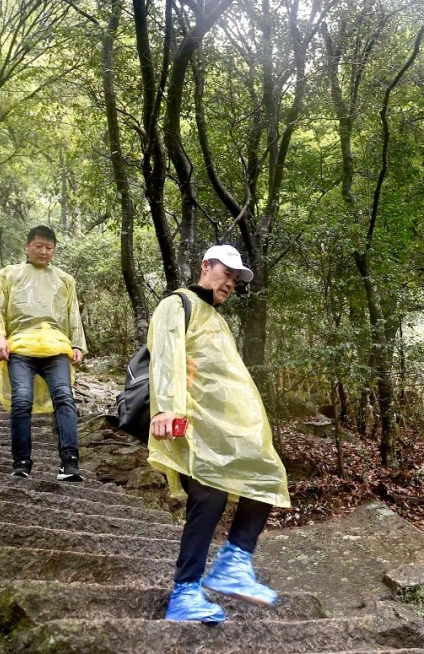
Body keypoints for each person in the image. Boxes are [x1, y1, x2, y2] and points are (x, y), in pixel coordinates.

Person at [147, 244, 290, 623]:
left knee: (265, 474)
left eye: (235, 279)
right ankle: (185, 592)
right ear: (205, 266)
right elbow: (166, 355)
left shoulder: (217, 318)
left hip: (224, 428)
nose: (230, 282)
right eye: (226, 273)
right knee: (209, 498)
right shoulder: (177, 304)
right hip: (192, 421)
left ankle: (233, 561)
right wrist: (166, 407)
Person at [0, 225, 87, 481]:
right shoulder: (9, 274)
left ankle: (70, 463)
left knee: (64, 398)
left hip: (56, 347)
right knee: (21, 400)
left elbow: (73, 313)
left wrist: (77, 345)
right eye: (39, 246)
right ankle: (21, 462)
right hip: (20, 347)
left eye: (49, 248)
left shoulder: (64, 279)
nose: (44, 252)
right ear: (27, 246)